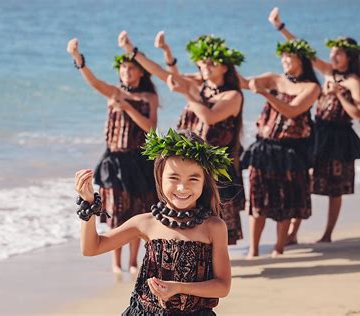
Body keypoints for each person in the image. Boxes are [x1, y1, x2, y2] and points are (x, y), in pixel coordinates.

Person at [75, 129, 231, 315]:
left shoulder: (213, 227)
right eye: (173, 177)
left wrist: (179, 287)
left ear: (204, 181)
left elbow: (222, 286)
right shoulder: (146, 223)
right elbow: (91, 248)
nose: (182, 187)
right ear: (159, 177)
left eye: (193, 178)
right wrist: (89, 205)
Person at [118, 31, 246, 245]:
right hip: (189, 162)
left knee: (214, 221)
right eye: (202, 63)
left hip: (213, 164)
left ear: (225, 67)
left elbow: (210, 117)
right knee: (189, 215)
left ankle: (215, 262)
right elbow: (162, 73)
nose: (205, 67)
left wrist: (187, 93)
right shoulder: (201, 85)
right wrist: (134, 51)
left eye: (211, 63)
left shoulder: (233, 96)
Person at [268, 7, 360, 244]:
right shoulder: (329, 72)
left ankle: (327, 234)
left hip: (340, 137)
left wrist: (340, 95)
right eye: (333, 53)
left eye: (339, 54)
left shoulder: (354, 81)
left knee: (335, 189)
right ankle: (292, 233)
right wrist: (280, 27)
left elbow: (359, 115)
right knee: (305, 180)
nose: (333, 57)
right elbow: (305, 52)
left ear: (350, 57)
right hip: (317, 132)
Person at [66, 37, 158, 273]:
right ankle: (116, 263)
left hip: (138, 161)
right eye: (123, 67)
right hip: (113, 161)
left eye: (131, 67)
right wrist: (79, 60)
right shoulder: (113, 92)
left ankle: (133, 261)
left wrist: (127, 106)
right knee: (116, 211)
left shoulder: (148, 98)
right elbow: (95, 83)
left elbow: (150, 129)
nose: (126, 71)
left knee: (137, 212)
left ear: (141, 72)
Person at [239, 38, 321, 258]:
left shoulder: (312, 87)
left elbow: (292, 111)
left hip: (290, 150)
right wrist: (227, 65)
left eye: (289, 56)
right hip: (264, 148)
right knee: (257, 199)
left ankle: (279, 248)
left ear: (301, 59)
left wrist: (265, 93)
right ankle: (253, 250)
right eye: (282, 56)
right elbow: (243, 82)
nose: (284, 60)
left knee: (286, 199)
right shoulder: (273, 78)